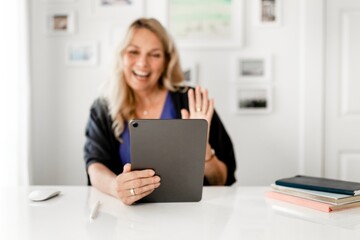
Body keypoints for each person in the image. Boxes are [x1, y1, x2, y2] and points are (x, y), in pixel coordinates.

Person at [84, 18, 236, 205]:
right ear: (121, 56)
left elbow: (222, 181)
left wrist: (203, 152)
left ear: (166, 61)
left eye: (154, 55)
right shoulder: (103, 107)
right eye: (133, 52)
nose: (142, 63)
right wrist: (116, 187)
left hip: (188, 216)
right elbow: (95, 165)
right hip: (127, 218)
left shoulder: (191, 101)